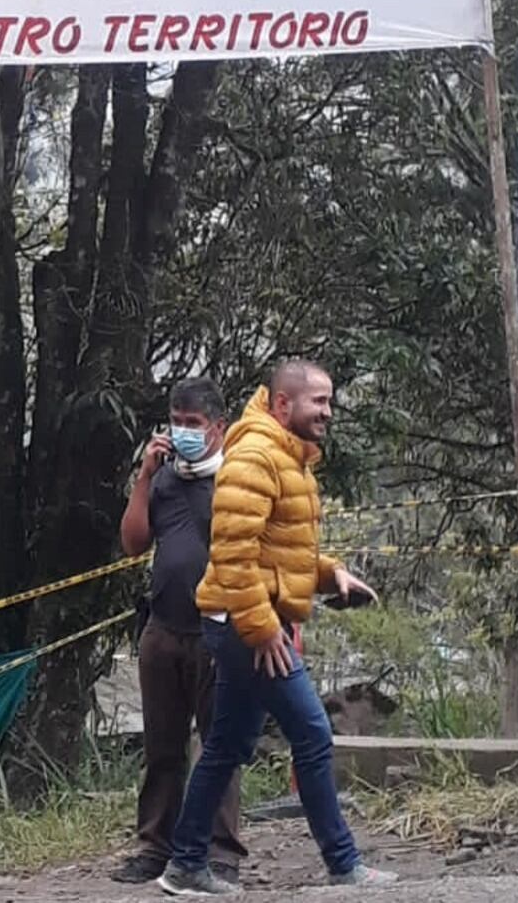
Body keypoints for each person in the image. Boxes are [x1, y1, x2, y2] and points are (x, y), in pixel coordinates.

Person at [158, 362, 395, 896]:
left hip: (246, 620)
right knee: (312, 733)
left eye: (330, 402)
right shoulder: (255, 458)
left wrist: (328, 572)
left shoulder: (287, 457)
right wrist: (264, 630)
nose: (328, 413)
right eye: (319, 402)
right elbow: (233, 555)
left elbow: (275, 550)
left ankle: (186, 864)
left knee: (225, 744)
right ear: (283, 404)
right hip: (247, 625)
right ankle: (343, 864)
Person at [112, 378, 246, 887]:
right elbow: (132, 543)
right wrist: (145, 475)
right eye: (178, 421)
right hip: (162, 629)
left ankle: (221, 851)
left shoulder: (235, 481)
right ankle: (155, 846)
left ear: (218, 427)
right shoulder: (165, 480)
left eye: (194, 424)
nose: (184, 432)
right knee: (162, 747)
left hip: (217, 630)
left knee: (219, 746)